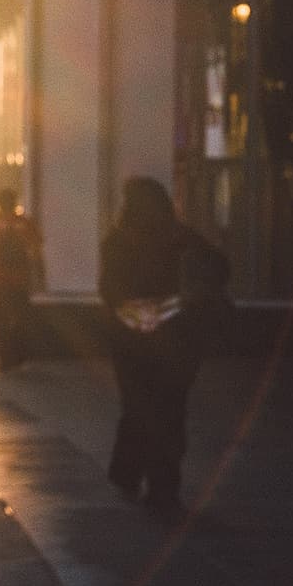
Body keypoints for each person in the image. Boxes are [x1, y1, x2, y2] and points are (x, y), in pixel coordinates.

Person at [99, 176, 231, 520]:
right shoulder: (178, 236)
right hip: (174, 338)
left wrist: (132, 310)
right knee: (169, 412)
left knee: (138, 407)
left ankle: (129, 473)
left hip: (130, 338)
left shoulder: (118, 241)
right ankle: (162, 488)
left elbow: (109, 290)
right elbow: (219, 266)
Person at [0, 187, 44, 372]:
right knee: (21, 316)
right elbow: (36, 252)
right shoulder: (25, 224)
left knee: (0, 319)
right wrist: (40, 275)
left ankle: (4, 357)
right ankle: (19, 354)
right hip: (20, 279)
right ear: (14, 203)